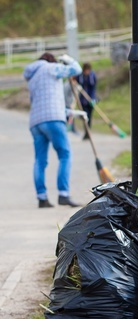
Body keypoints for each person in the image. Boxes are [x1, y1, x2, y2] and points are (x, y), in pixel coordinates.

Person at [23, 52, 82, 208]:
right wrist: (68, 59)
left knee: (40, 160)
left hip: (36, 123)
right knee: (65, 154)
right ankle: (63, 194)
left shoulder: (33, 78)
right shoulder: (51, 68)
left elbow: (47, 103)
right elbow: (76, 69)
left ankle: (41, 198)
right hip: (53, 120)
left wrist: (74, 113)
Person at [76, 62, 97, 139]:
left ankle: (88, 132)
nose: (87, 72)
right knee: (85, 117)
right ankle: (86, 132)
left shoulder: (92, 76)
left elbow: (94, 88)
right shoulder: (80, 76)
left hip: (91, 99)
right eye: (86, 70)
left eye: (88, 70)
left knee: (89, 116)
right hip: (82, 100)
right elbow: (75, 82)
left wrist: (93, 98)